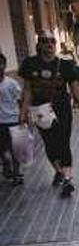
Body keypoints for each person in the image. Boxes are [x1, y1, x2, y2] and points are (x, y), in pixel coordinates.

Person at [19, 31, 79, 198]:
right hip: (39, 110)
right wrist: (23, 112)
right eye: (45, 41)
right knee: (50, 144)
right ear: (39, 44)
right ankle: (60, 172)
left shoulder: (65, 65)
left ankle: (67, 179)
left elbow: (74, 90)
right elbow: (27, 90)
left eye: (52, 41)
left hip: (62, 109)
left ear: (55, 44)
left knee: (64, 143)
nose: (49, 44)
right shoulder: (30, 64)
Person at [0, 53, 23, 186]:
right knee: (3, 150)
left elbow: (20, 100)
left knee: (15, 149)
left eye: (1, 64)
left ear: (4, 65)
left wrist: (24, 116)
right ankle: (6, 162)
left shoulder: (11, 83)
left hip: (13, 120)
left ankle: (16, 174)